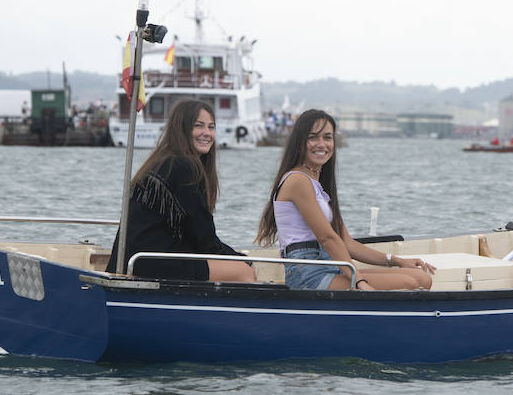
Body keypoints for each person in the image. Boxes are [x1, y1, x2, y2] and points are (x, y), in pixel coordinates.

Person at [255, 109, 434, 291]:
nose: (322, 144)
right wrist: (359, 281)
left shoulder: (318, 184)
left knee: (421, 278)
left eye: (327, 137)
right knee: (409, 284)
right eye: (313, 137)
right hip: (308, 275)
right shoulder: (297, 180)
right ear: (300, 142)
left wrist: (397, 261)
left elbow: (346, 243)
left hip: (332, 267)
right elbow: (327, 238)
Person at [105, 98, 255, 282]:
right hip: (150, 262)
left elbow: (192, 232)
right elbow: (202, 234)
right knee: (244, 272)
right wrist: (240, 260)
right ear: (181, 129)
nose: (207, 133)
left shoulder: (163, 161)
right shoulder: (183, 167)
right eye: (199, 126)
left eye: (211, 127)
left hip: (133, 258)